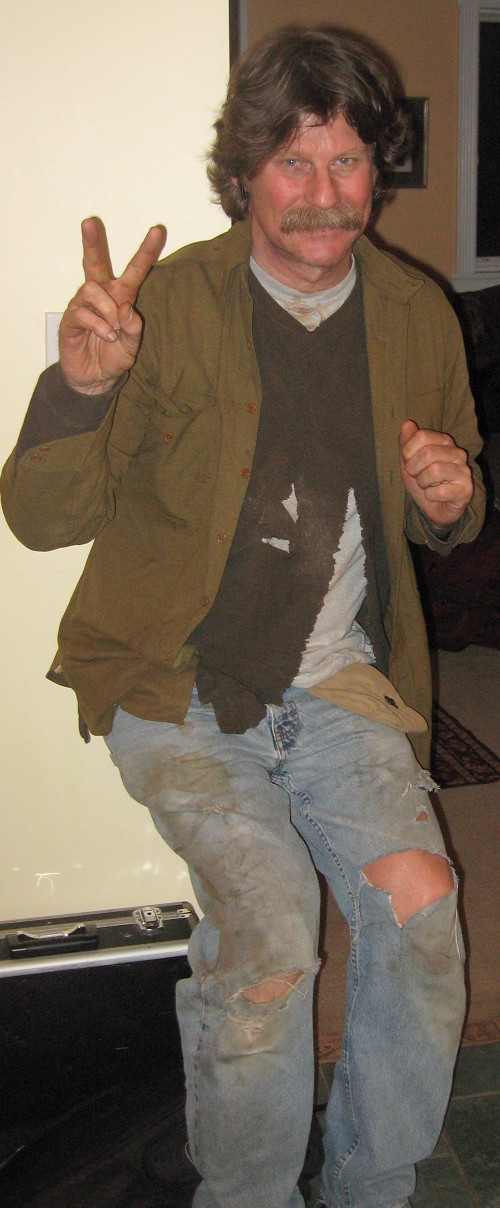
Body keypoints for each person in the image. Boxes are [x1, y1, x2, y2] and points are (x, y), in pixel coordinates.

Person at [1, 24, 486, 1208]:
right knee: (269, 937)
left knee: (421, 907)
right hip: (178, 685)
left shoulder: (415, 313)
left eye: (346, 160)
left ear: (375, 168)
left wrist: (453, 499)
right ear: (243, 174)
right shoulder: (167, 306)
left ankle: (371, 1186)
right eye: (291, 162)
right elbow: (41, 519)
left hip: (337, 684)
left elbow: (448, 509)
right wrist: (77, 389)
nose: (322, 195)